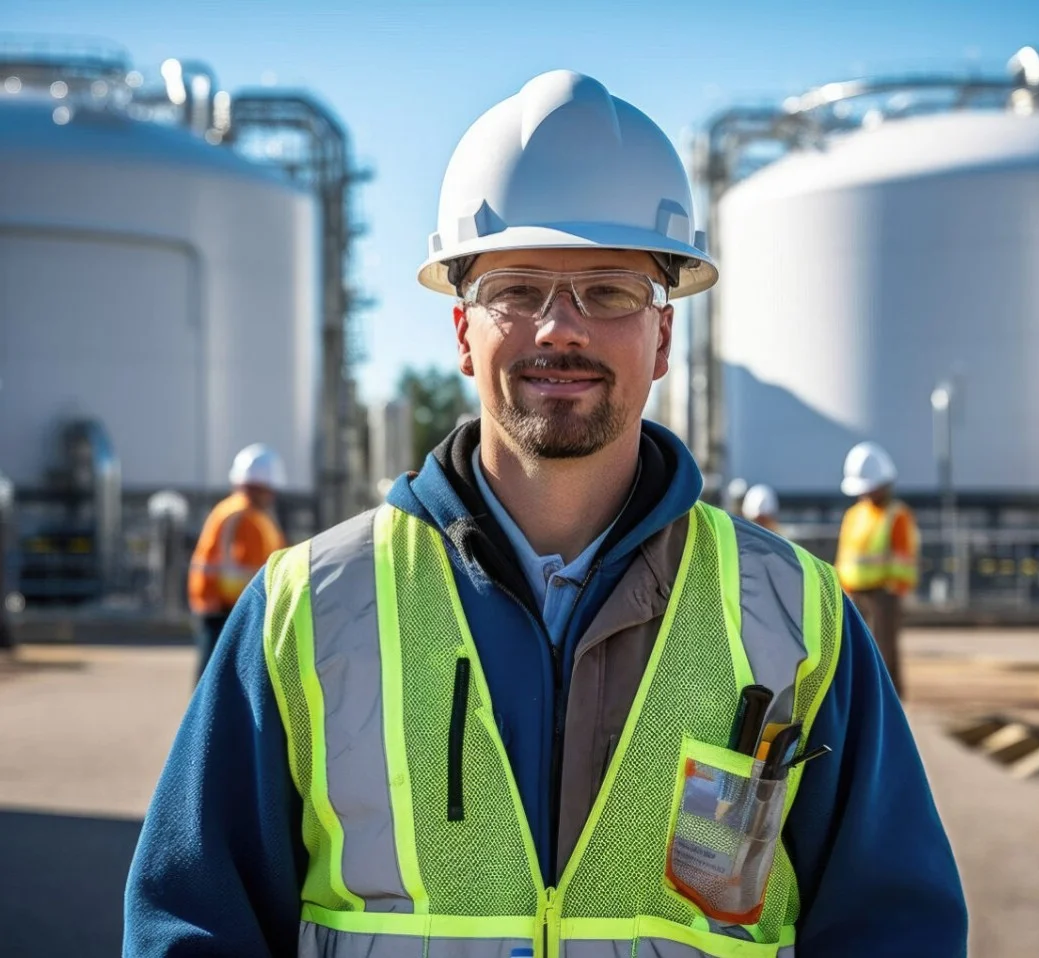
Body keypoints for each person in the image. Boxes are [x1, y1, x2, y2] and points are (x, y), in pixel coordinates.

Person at [125, 72, 965, 957]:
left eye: (608, 292)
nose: (558, 330)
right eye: (517, 290)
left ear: (664, 338)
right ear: (460, 333)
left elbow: (892, 927)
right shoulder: (308, 607)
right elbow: (194, 925)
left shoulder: (797, 616)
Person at [187, 443, 286, 679]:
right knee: (217, 679)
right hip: (225, 607)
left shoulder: (240, 512)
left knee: (216, 676)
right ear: (261, 486)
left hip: (224, 604)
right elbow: (252, 568)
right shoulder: (245, 516)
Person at [835, 441, 920, 697]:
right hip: (854, 594)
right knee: (855, 651)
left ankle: (888, 700)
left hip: (885, 594)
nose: (865, 493)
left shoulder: (897, 516)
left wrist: (895, 590)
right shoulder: (854, 515)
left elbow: (906, 558)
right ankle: (862, 698)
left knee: (883, 652)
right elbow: (846, 555)